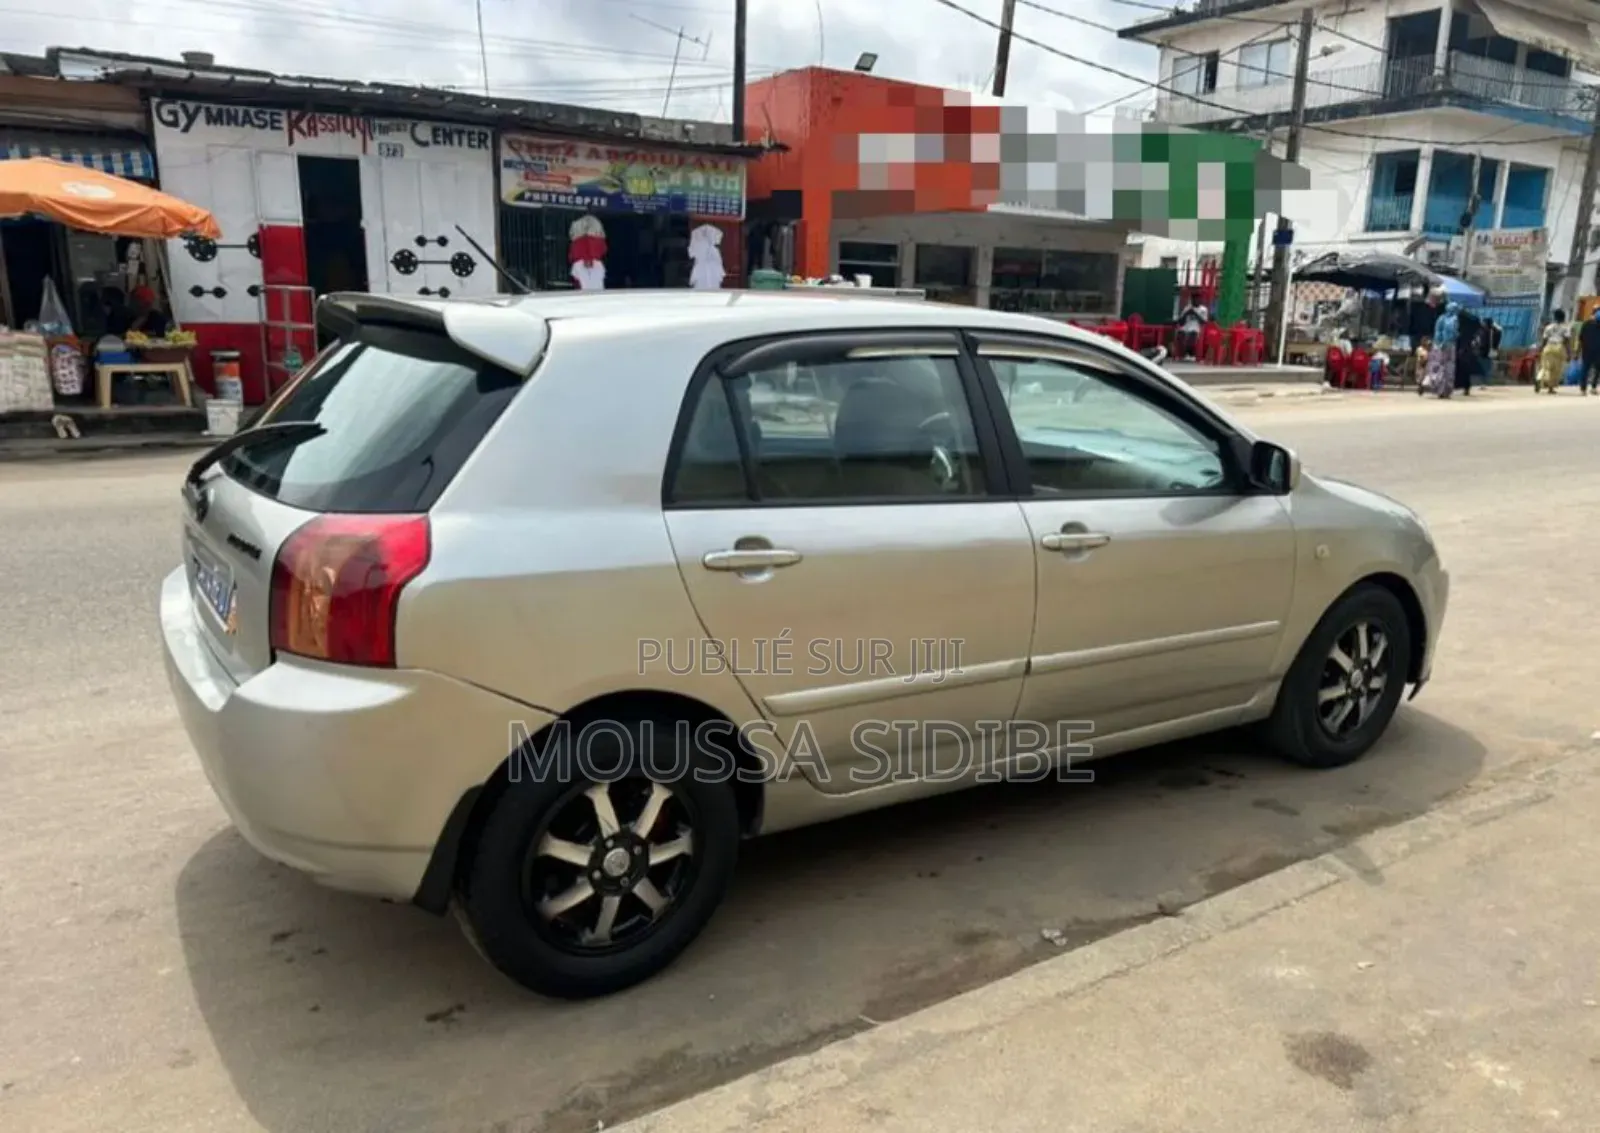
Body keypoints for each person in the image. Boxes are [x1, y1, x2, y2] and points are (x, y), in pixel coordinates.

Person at [1425, 302, 1461, 397]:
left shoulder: (1441, 318)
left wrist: (1438, 343)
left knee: (1437, 366)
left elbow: (1437, 332)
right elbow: (1453, 333)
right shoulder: (1454, 319)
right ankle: (1445, 390)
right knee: (1448, 368)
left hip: (1437, 346)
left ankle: (1437, 388)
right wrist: (1456, 335)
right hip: (1449, 345)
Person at [1536, 309, 1569, 394]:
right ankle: (1550, 388)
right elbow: (1566, 340)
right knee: (1555, 369)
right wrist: (1569, 352)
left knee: (1545, 366)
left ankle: (1539, 378)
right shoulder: (1565, 328)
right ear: (1563, 318)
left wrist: (1541, 349)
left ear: (1554, 317)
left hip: (1548, 347)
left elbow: (1544, 339)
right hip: (1559, 348)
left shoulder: (1548, 327)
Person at [1578, 307, 1600, 396]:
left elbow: (1580, 338)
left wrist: (1578, 350)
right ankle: (1593, 387)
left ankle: (1583, 389)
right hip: (1597, 351)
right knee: (1597, 369)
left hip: (1586, 350)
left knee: (1585, 369)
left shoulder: (1586, 324)